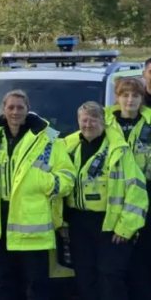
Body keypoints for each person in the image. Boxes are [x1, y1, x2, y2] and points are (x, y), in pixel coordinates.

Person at [0, 89, 75, 300]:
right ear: (3, 109)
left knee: (36, 287)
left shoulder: (48, 139)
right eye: (10, 107)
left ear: (28, 109)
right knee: (5, 284)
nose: (15, 112)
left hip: (33, 227)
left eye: (20, 107)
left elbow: (67, 178)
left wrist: (43, 182)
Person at [60, 101, 147, 300]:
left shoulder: (119, 150)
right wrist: (62, 222)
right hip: (79, 224)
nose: (88, 124)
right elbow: (62, 189)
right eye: (84, 119)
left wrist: (126, 228)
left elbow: (137, 190)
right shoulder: (67, 147)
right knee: (85, 276)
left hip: (112, 226)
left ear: (104, 121)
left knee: (110, 277)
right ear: (78, 121)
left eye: (93, 119)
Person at [103, 78, 151, 300]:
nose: (130, 100)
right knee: (113, 269)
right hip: (112, 201)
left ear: (142, 99)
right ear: (117, 97)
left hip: (147, 199)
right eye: (125, 95)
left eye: (135, 96)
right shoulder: (104, 122)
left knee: (142, 265)